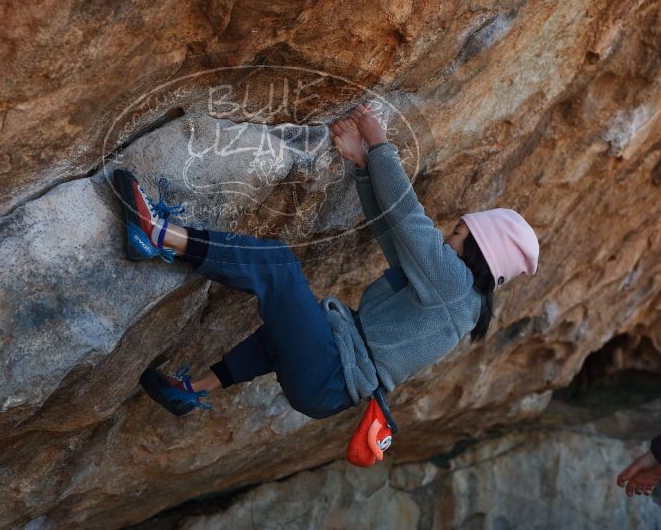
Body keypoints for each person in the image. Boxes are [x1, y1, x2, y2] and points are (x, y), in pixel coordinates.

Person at [116, 103, 540, 422]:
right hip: (328, 384)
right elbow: (390, 230)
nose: (449, 236)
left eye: (459, 234)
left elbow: (409, 218)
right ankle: (190, 390)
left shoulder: (454, 286)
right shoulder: (455, 298)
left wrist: (381, 144)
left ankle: (158, 235)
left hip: (331, 371)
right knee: (280, 335)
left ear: (481, 252)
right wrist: (361, 165)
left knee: (278, 267)